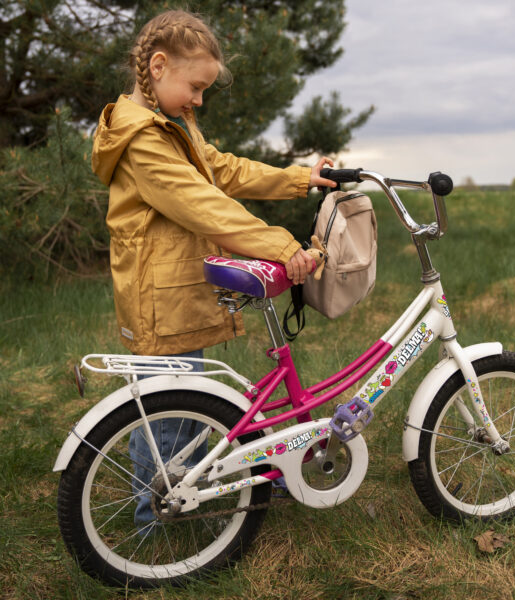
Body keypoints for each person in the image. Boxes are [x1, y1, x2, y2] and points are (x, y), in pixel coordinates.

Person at [90, 9, 336, 529]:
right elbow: (204, 204)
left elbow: (221, 169)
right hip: (162, 296)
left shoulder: (172, 123)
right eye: (195, 86)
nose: (200, 99)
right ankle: (155, 520)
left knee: (181, 403)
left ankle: (172, 499)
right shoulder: (143, 141)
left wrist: (301, 178)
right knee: (170, 415)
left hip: (173, 286)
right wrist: (280, 244)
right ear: (158, 66)